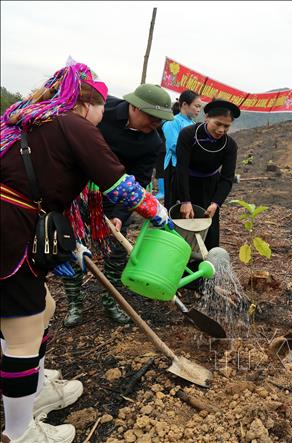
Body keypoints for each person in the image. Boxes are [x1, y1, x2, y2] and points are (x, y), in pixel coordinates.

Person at [0, 61, 174, 442]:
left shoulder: (38, 122)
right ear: (86, 104)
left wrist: (71, 241)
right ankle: (19, 431)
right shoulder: (73, 123)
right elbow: (119, 185)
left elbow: (49, 181)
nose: (103, 115)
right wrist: (156, 210)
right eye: (100, 106)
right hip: (8, 231)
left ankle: (37, 388)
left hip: (17, 222)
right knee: (23, 327)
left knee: (43, 307)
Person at [61, 84, 175, 327]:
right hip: (77, 192)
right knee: (72, 247)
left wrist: (121, 216)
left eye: (160, 121)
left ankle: (111, 301)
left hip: (117, 197)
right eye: (152, 117)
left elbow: (140, 181)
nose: (155, 124)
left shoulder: (153, 143)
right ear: (134, 106)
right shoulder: (103, 110)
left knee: (117, 252)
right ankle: (74, 304)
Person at [173, 99, 240, 252]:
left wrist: (216, 203)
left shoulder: (229, 145)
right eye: (218, 124)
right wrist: (185, 200)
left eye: (226, 126)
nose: (221, 130)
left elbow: (227, 178)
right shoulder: (188, 135)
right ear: (207, 118)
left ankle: (205, 271)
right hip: (184, 183)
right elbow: (181, 168)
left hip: (209, 187)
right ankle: (179, 268)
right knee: (180, 227)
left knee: (209, 231)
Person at [162, 90, 203, 208]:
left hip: (187, 166)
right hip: (174, 166)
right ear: (185, 104)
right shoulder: (173, 122)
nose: (198, 110)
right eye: (196, 106)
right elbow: (174, 145)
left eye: (200, 107)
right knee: (173, 201)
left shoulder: (193, 123)